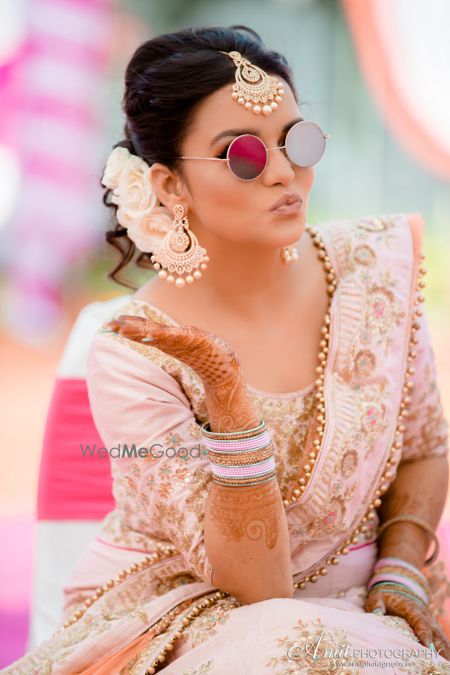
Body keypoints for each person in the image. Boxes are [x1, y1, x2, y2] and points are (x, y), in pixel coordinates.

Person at [4, 24, 450, 675]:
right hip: (195, 615)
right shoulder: (136, 351)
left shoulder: (372, 268)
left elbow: (424, 445)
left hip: (374, 607)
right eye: (241, 154)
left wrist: (403, 569)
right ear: (171, 185)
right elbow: (260, 588)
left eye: (297, 141)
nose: (281, 172)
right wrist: (229, 402)